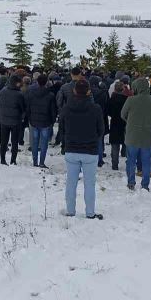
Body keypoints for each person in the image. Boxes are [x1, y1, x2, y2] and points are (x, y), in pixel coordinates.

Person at [58, 80, 104, 219]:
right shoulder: (96, 109)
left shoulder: (66, 108)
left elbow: (62, 129)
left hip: (71, 149)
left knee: (71, 183)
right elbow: (101, 130)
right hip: (90, 150)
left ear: (74, 91)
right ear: (89, 91)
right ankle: (90, 212)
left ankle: (70, 210)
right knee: (90, 184)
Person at [121, 78, 151, 191]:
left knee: (131, 160)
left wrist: (131, 121)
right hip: (148, 134)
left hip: (132, 134)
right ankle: (145, 184)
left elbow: (123, 114)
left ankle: (131, 182)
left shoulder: (131, 100)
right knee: (146, 161)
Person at [25, 74, 56, 168]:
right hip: (46, 122)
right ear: (46, 82)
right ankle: (41, 162)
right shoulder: (50, 95)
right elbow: (53, 110)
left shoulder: (31, 93)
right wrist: (52, 121)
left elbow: (28, 108)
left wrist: (29, 118)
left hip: (34, 121)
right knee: (44, 143)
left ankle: (35, 162)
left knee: (34, 143)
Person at [0, 75, 26, 165]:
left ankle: (2, 159)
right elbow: (23, 108)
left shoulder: (2, 91)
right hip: (15, 121)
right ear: (16, 83)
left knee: (4, 141)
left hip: (4, 119)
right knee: (14, 142)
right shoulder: (19, 94)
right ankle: (13, 160)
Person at [105, 81, 128, 170]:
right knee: (126, 142)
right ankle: (126, 158)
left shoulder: (111, 100)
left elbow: (108, 111)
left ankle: (115, 164)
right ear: (123, 89)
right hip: (124, 122)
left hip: (114, 123)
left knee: (115, 145)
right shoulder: (126, 99)